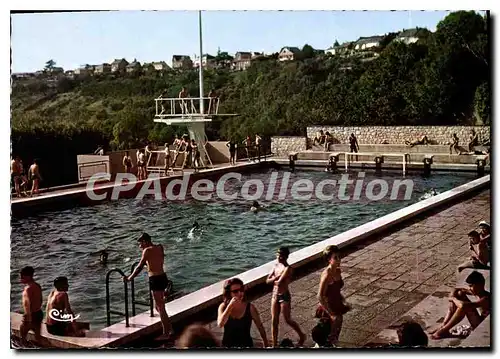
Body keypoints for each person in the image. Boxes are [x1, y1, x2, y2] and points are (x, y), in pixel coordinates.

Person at [123, 233, 173, 341]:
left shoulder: (147, 251)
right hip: (163, 277)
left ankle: (166, 333)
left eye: (140, 243)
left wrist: (129, 278)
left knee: (160, 307)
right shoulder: (160, 247)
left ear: (145, 241)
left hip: (155, 279)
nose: (139, 246)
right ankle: (170, 329)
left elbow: (139, 267)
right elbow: (158, 261)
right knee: (158, 307)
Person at [430, 271, 490, 339]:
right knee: (459, 294)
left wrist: (453, 299)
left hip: (484, 326)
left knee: (463, 307)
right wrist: (453, 297)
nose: (469, 288)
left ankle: (443, 330)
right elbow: (456, 289)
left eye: (471, 286)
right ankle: (444, 325)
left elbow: (463, 306)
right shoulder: (476, 292)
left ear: (480, 285)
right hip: (479, 321)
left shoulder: (486, 298)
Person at [266, 247, 306, 347]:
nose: (279, 257)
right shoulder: (275, 266)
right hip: (275, 295)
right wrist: (275, 278)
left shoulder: (288, 268)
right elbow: (267, 281)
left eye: (282, 255)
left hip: (284, 295)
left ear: (286, 257)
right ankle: (274, 345)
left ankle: (302, 335)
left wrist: (274, 279)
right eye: (278, 254)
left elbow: (279, 283)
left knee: (287, 319)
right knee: (274, 321)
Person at [217, 278, 268, 348]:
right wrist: (230, 307)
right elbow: (220, 324)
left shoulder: (250, 308)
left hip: (246, 345)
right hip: (228, 346)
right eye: (235, 291)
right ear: (229, 293)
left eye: (241, 290)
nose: (239, 293)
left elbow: (260, 326)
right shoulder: (223, 307)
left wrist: (265, 344)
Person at [316, 245, 350, 346]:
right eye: (335, 258)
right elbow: (319, 296)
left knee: (336, 332)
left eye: (339, 256)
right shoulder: (327, 275)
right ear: (329, 260)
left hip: (337, 304)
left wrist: (343, 300)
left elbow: (336, 289)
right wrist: (330, 313)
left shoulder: (338, 271)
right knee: (328, 334)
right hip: (328, 307)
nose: (339, 260)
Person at [19, 266, 43, 344]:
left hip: (30, 315)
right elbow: (40, 300)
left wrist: (28, 319)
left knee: (23, 335)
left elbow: (27, 305)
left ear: (28, 276)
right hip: (39, 313)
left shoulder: (28, 289)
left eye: (22, 276)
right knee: (38, 336)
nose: (21, 278)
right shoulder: (37, 285)